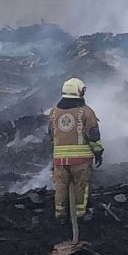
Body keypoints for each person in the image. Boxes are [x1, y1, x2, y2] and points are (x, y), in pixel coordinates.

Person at [49, 78, 103, 225]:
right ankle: (80, 216)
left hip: (59, 160)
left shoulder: (54, 112)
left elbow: (51, 135)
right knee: (81, 187)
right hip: (81, 160)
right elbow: (93, 135)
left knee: (60, 188)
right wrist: (98, 152)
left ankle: (60, 216)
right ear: (80, 92)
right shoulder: (85, 111)